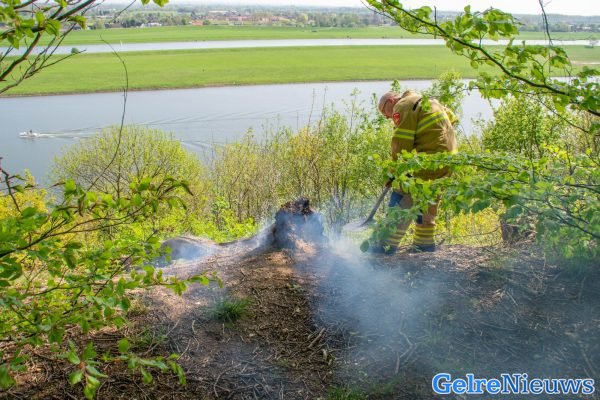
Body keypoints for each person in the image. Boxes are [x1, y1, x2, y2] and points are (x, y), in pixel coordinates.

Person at [370, 90, 458, 254]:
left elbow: (401, 144)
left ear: (391, 100)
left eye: (384, 111)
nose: (387, 117)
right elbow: (452, 118)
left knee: (404, 194)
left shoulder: (402, 105)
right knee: (428, 198)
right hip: (450, 159)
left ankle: (384, 245)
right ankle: (424, 245)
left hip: (432, 161)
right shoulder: (428, 100)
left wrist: (393, 173)